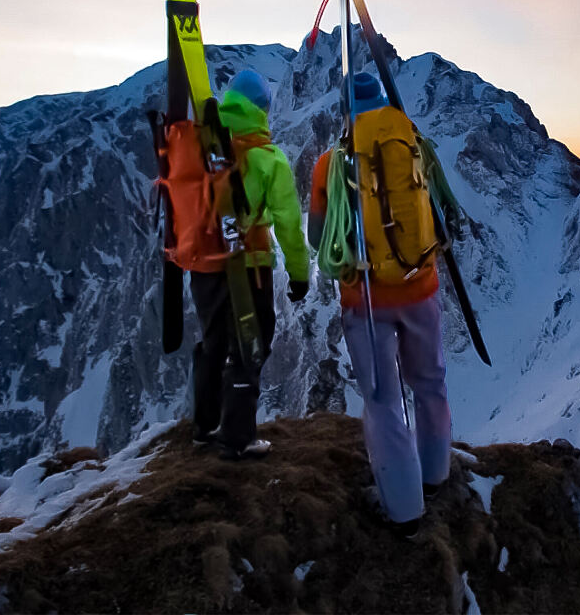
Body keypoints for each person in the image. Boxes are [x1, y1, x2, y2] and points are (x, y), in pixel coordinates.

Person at [308, 72, 450, 538]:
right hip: (420, 287)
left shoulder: (331, 164)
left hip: (365, 300)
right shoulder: (415, 144)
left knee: (384, 400)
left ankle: (405, 511)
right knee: (430, 384)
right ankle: (436, 476)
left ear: (344, 111)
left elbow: (317, 239)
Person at [190, 68, 310, 459]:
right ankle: (237, 437)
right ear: (262, 111)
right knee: (250, 346)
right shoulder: (267, 158)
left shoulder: (202, 147)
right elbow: (289, 224)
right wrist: (298, 275)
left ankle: (204, 427)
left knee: (212, 343)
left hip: (204, 265)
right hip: (250, 267)